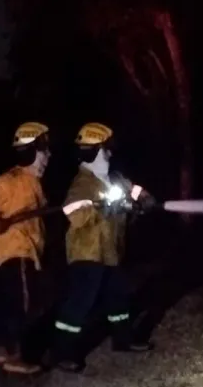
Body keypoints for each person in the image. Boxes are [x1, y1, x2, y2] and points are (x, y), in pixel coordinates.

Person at [52, 122, 157, 373]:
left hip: (111, 251)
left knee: (118, 298)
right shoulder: (82, 184)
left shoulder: (114, 177)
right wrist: (99, 207)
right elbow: (73, 213)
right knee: (80, 302)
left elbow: (134, 190)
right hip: (87, 253)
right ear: (93, 151)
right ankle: (62, 352)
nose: (109, 154)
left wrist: (145, 199)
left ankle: (123, 340)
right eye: (105, 150)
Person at [0, 122, 51, 374]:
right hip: (17, 251)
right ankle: (15, 355)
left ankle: (3, 348)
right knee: (21, 304)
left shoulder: (31, 182)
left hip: (25, 252)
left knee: (10, 301)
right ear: (30, 153)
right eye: (44, 151)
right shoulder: (12, 180)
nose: (48, 156)